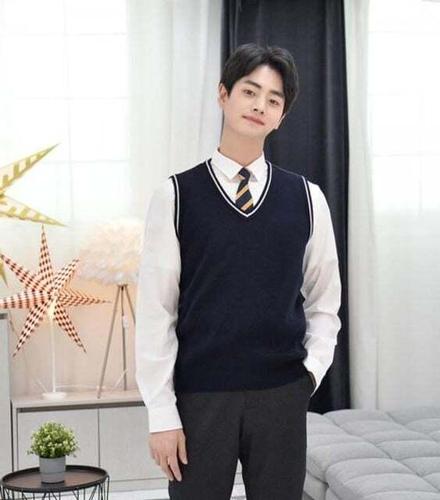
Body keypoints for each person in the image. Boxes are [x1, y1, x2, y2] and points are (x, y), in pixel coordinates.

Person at [135, 42, 341, 500]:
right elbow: (156, 311)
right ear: (223, 95)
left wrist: (309, 374)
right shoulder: (175, 196)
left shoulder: (308, 199)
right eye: (250, 91)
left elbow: (325, 302)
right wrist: (161, 414)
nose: (260, 106)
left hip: (282, 395)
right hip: (200, 398)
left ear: (281, 116)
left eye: (273, 99)